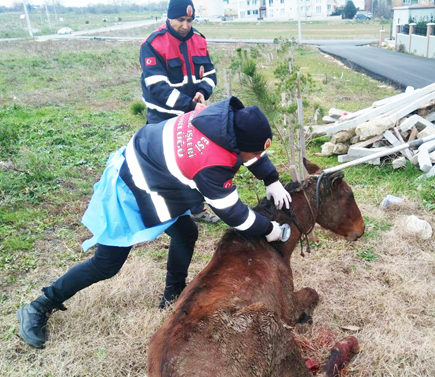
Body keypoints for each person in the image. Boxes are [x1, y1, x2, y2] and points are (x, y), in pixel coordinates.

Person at [16, 97, 292, 349]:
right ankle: (40, 306)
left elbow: (251, 149)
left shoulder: (221, 120)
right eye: (254, 155)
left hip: (157, 174)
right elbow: (235, 215)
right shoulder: (209, 163)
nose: (256, 159)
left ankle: (173, 293)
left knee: (186, 232)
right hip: (130, 187)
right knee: (106, 264)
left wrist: (271, 179)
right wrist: (271, 230)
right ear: (238, 144)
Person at [140, 0, 219, 223]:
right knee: (161, 165)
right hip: (162, 116)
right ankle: (160, 211)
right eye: (180, 20)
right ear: (169, 18)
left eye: (189, 20)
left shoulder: (199, 40)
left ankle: (196, 209)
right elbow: (158, 87)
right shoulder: (153, 44)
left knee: (193, 161)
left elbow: (211, 74)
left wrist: (203, 92)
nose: (185, 25)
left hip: (191, 115)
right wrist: (191, 105)